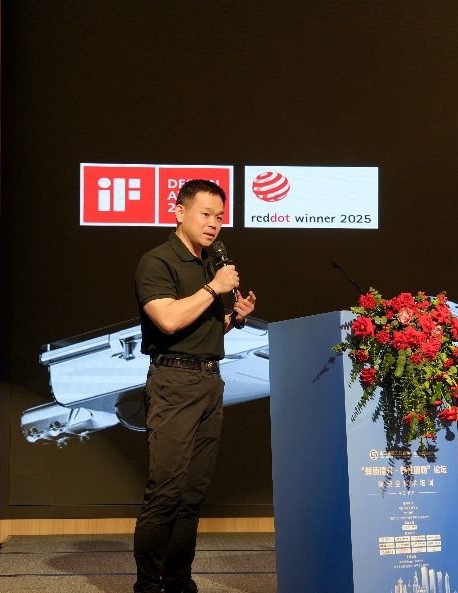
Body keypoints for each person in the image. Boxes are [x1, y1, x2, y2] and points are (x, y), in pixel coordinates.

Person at [133, 179, 256, 593]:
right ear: (179, 212)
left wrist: (234, 318)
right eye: (205, 214)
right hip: (174, 382)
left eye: (219, 217)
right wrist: (213, 288)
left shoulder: (209, 265)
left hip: (209, 381)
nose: (213, 224)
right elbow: (168, 320)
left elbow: (198, 327)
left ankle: (179, 581)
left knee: (192, 494)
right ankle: (148, 585)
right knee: (166, 490)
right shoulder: (157, 261)